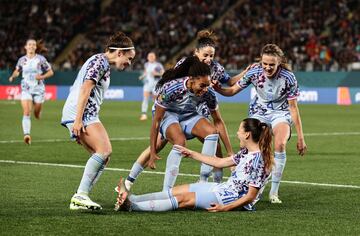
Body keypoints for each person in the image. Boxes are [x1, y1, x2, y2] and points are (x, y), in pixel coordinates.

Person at [123, 30, 247, 191]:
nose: (209, 59)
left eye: (212, 56)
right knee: (164, 143)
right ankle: (132, 181)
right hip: (170, 110)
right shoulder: (180, 76)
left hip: (194, 110)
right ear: (196, 53)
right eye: (205, 55)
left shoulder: (212, 78)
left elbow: (227, 89)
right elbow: (168, 92)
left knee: (213, 139)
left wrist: (231, 153)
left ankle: (213, 185)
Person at [213, 44, 307, 204]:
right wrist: (218, 89)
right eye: (265, 64)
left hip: (281, 114)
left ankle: (274, 192)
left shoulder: (288, 77)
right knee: (247, 146)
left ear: (279, 62)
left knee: (279, 145)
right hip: (259, 113)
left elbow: (293, 108)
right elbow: (232, 91)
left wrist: (300, 137)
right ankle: (238, 184)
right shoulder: (255, 72)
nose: (268, 68)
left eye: (272, 64)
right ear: (261, 61)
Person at [115, 118, 273, 212]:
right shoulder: (246, 153)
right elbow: (219, 162)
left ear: (247, 134)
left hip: (232, 199)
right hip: (225, 189)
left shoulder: (259, 161)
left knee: (184, 199)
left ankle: (131, 206)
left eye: (239, 130)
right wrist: (191, 153)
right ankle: (132, 198)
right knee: (176, 191)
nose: (237, 133)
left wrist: (225, 208)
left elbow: (251, 196)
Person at [60, 31, 135, 210]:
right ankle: (80, 195)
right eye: (129, 58)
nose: (129, 63)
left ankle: (81, 197)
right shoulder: (99, 61)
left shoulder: (101, 63)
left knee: (104, 156)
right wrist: (77, 120)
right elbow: (85, 90)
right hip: (82, 114)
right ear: (119, 52)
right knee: (104, 150)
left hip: (86, 114)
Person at [8, 39, 54, 144]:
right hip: (26, 89)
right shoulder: (22, 60)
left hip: (39, 89)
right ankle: (27, 135)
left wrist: (41, 76)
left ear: (36, 47)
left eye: (33, 45)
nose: (31, 46)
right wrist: (13, 76)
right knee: (27, 111)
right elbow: (17, 70)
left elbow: (51, 72)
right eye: (29, 44)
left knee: (36, 113)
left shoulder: (41, 59)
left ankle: (37, 112)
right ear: (26, 47)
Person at [138, 52, 164, 121]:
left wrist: (156, 74)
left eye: (152, 56)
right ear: (147, 57)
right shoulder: (146, 64)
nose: (151, 57)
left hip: (155, 84)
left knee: (155, 100)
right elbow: (146, 72)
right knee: (145, 98)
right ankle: (144, 114)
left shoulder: (158, 65)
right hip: (148, 83)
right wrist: (142, 76)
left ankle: (157, 113)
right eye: (149, 56)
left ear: (155, 57)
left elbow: (163, 73)